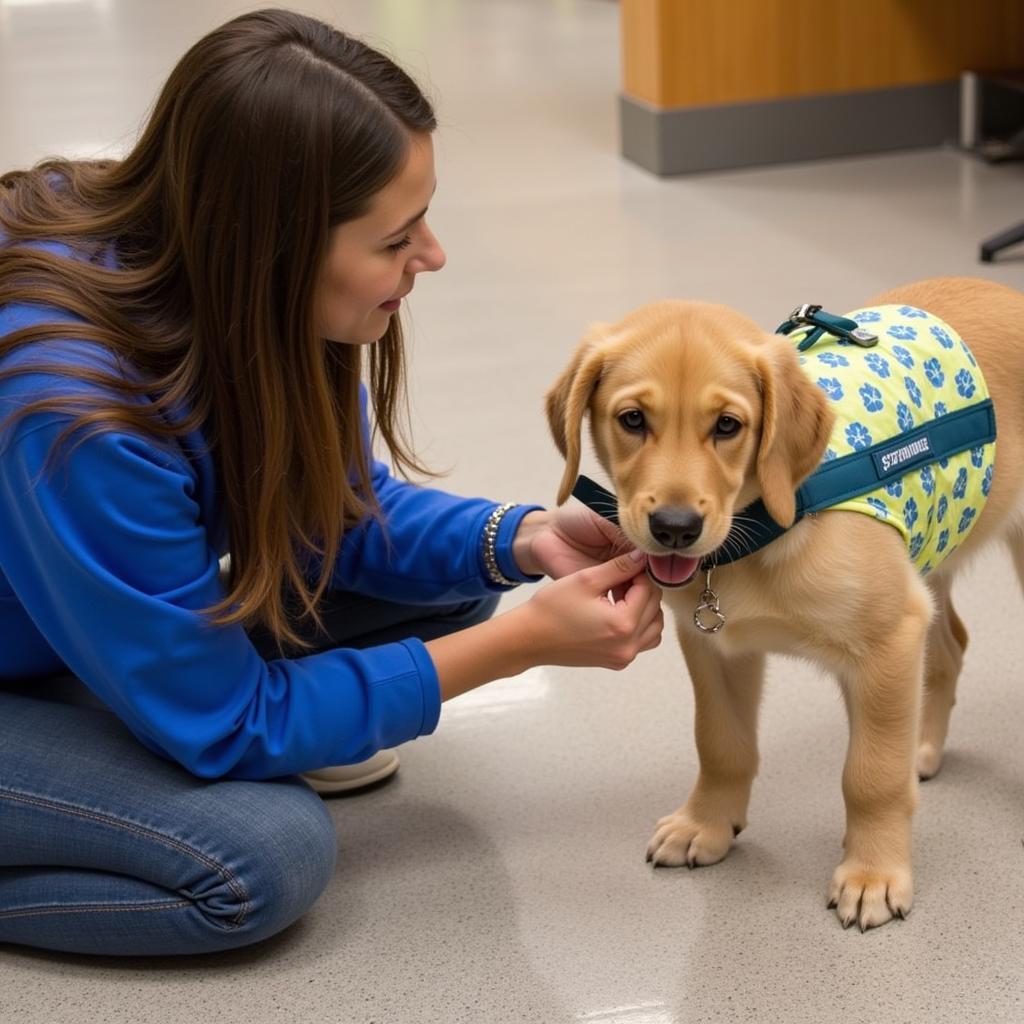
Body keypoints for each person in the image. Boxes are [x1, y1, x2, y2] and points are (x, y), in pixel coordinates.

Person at [0, 9, 663, 957]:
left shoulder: (231, 278)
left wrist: (517, 538)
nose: (430, 256)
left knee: (462, 579)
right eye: (395, 238)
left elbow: (338, 512)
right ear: (273, 248)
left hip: (52, 630)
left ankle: (120, 708)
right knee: (259, 857)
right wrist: (521, 648)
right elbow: (227, 723)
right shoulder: (73, 412)